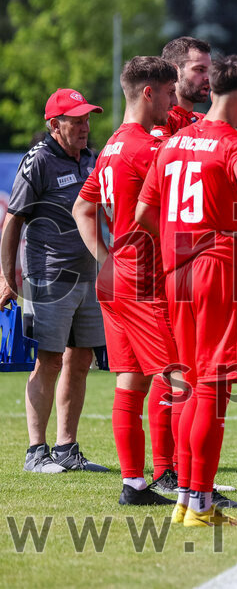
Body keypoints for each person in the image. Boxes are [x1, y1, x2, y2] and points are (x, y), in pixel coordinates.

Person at [136, 54, 237, 527]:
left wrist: (176, 241)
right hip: (217, 271)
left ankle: (185, 501)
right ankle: (201, 504)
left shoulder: (173, 143)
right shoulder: (236, 141)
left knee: (191, 386)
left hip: (178, 274)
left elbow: (142, 213)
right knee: (213, 387)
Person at [73, 56, 182, 504]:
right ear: (149, 93)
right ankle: (186, 482)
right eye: (170, 93)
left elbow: (82, 208)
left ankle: (134, 484)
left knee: (131, 381)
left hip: (116, 278)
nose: (175, 102)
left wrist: (106, 259)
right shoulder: (147, 148)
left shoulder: (113, 146)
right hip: (143, 281)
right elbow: (167, 215)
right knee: (180, 379)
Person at [1, 88, 109, 473]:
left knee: (79, 361)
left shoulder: (91, 160)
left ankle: (67, 449)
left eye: (87, 118)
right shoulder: (38, 161)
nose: (85, 126)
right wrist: (5, 275)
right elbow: (13, 219)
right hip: (47, 277)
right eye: (76, 119)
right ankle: (36, 452)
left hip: (88, 277)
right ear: (54, 124)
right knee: (48, 361)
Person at [151, 37, 211, 139]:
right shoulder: (159, 119)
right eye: (200, 69)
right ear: (175, 71)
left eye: (210, 71)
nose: (208, 77)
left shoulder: (205, 120)